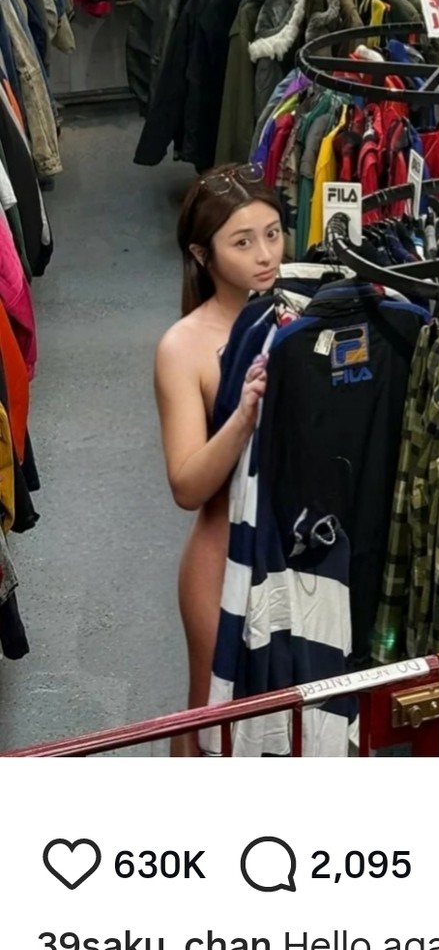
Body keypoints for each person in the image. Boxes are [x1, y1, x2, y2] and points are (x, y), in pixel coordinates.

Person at [153, 165, 284, 755]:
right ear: (202, 255)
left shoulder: (303, 316)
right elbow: (186, 485)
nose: (266, 255)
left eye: (273, 233)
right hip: (221, 553)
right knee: (209, 723)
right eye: (243, 242)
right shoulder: (183, 346)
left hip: (294, 550)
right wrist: (243, 414)